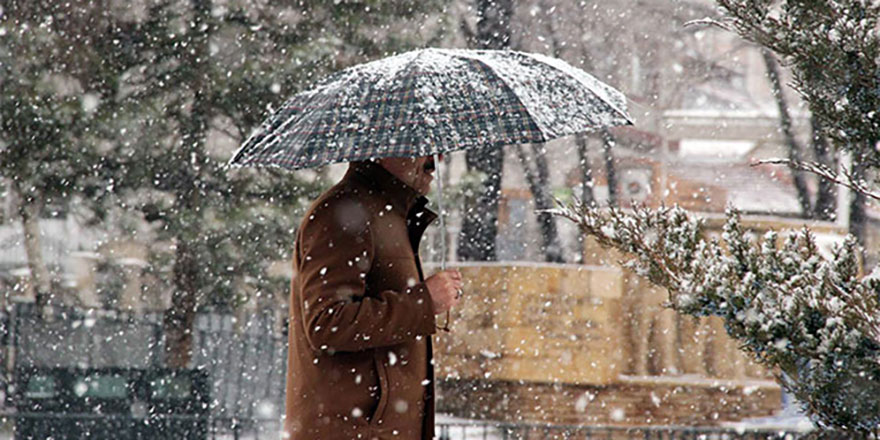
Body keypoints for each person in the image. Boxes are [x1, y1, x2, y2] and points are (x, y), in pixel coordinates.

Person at [284, 156, 463, 440]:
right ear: (385, 148)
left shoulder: (385, 213)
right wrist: (424, 303)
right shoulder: (343, 213)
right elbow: (326, 323)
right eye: (423, 147)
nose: (437, 159)